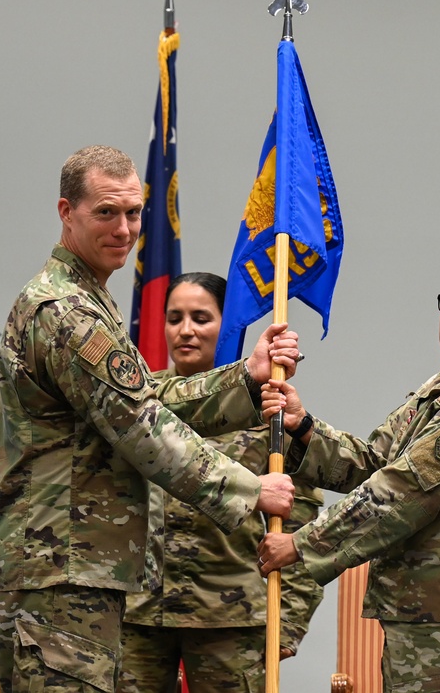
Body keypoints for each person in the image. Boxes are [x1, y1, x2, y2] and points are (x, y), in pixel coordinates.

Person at [0, 145, 302, 693]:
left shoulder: (86, 299)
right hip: (61, 562)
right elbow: (141, 425)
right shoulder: (67, 313)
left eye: (134, 213)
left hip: (71, 561)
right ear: (67, 212)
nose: (124, 228)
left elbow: (146, 395)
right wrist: (250, 490)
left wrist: (245, 375)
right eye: (106, 212)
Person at [257, 259, 440, 693]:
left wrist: (300, 544)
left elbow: (398, 494)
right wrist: (303, 427)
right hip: (430, 615)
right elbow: (374, 464)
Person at [118, 273, 325, 693]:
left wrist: (288, 618)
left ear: (227, 323)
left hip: (230, 614)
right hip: (139, 613)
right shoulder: (139, 405)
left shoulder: (268, 408)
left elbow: (303, 526)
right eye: (174, 318)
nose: (186, 330)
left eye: (201, 317)